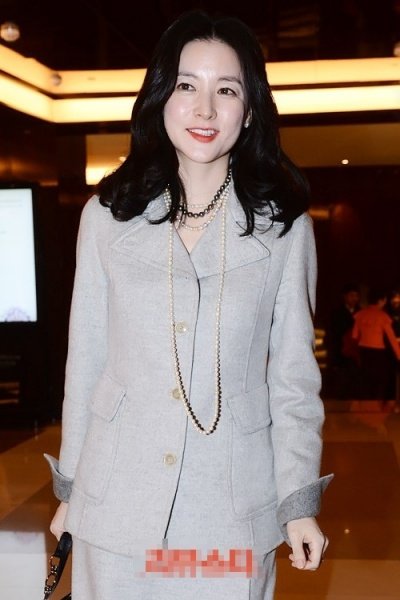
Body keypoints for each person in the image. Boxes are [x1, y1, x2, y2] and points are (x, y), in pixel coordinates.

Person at [44, 10, 333, 599]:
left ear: (249, 111)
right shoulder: (106, 219)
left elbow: (293, 379)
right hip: (117, 508)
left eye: (226, 90)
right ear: (161, 98)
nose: (204, 109)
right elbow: (87, 361)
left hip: (228, 511)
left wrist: (297, 500)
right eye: (186, 86)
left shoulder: (283, 230)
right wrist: (71, 491)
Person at [352, 286, 400, 401]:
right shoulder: (383, 316)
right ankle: (376, 408)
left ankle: (366, 407)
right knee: (379, 382)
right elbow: (392, 339)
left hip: (363, 352)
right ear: (381, 300)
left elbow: (354, 335)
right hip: (378, 353)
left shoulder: (360, 314)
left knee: (365, 382)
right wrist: (399, 355)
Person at [327, 283, 361, 398]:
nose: (354, 299)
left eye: (356, 296)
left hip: (356, 353)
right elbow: (332, 335)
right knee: (341, 384)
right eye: (351, 295)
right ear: (345, 296)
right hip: (340, 353)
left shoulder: (360, 312)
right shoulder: (336, 313)